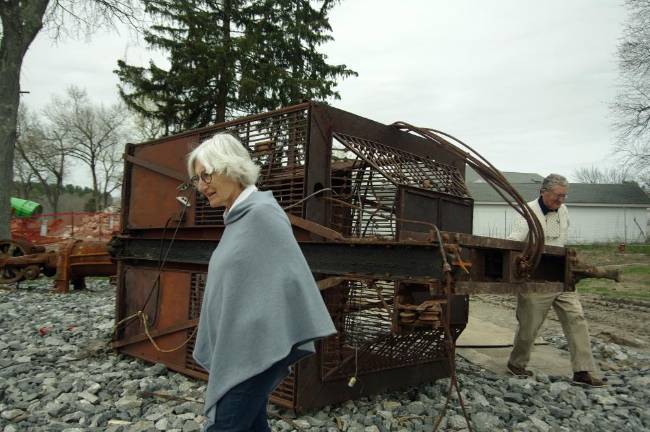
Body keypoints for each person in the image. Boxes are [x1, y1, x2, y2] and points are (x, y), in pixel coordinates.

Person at [187, 133, 337, 431]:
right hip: (245, 345)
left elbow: (288, 282)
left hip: (260, 347)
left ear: (230, 168)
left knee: (226, 426)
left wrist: (257, 333)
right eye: (196, 179)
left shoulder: (262, 214)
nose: (201, 186)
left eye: (206, 175)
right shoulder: (237, 217)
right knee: (253, 424)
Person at [506, 173, 605, 387]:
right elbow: (513, 243)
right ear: (543, 192)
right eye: (557, 196)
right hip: (535, 279)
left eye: (564, 196)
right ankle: (516, 364)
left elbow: (562, 240)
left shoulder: (564, 210)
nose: (561, 200)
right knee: (529, 325)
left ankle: (582, 371)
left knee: (576, 319)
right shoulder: (528, 213)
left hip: (561, 277)